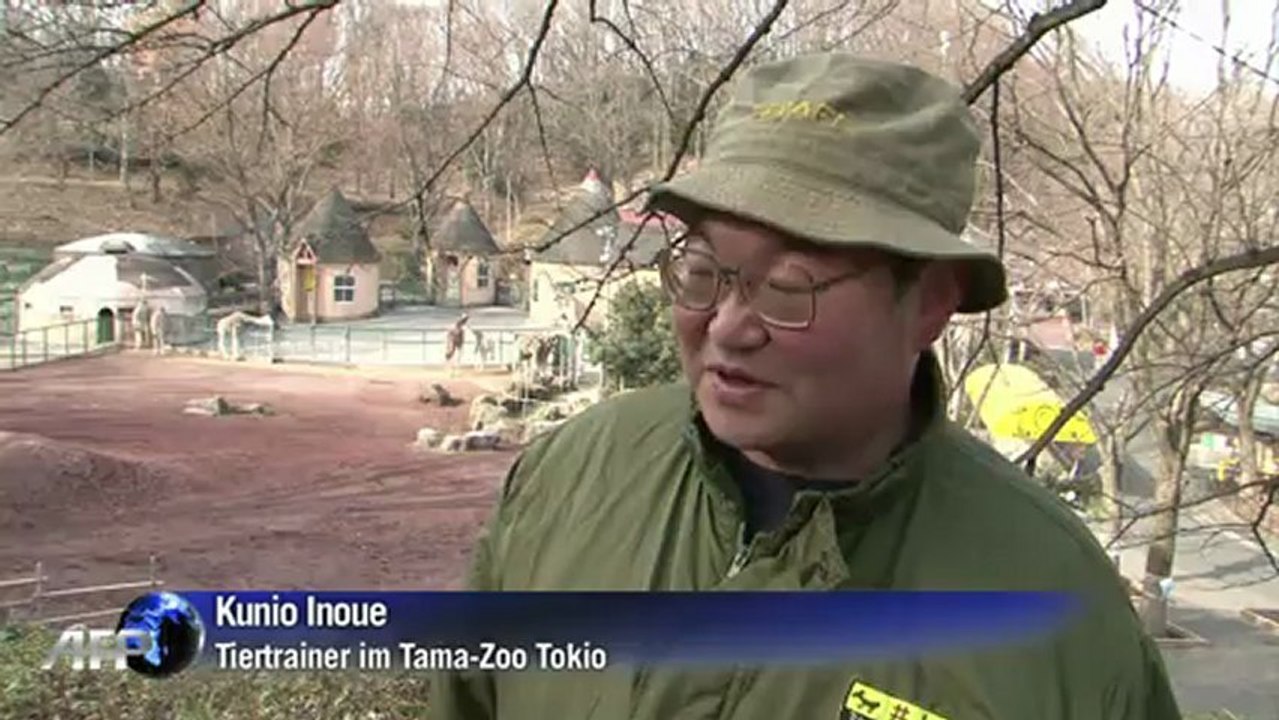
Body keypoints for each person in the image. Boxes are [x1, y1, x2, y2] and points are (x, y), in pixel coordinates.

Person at [432, 54, 1181, 719]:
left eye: (788, 286)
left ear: (928, 303)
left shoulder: (1053, 611)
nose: (728, 326)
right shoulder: (572, 477)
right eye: (702, 270)